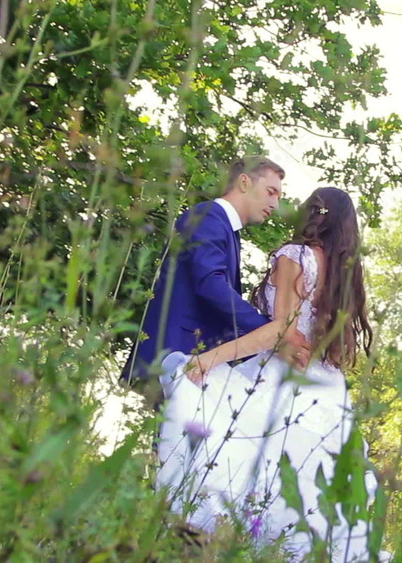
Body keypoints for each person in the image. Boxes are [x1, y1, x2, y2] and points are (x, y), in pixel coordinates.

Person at [156, 187, 384, 561]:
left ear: (311, 213)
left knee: (233, 465)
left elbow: (282, 330)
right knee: (305, 496)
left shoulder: (294, 255)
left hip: (280, 382)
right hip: (327, 393)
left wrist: (211, 358)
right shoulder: (345, 277)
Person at [120, 155, 311, 389]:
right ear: (244, 182)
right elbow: (210, 284)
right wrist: (271, 332)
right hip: (175, 354)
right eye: (271, 191)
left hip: (195, 359)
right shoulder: (208, 217)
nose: (275, 204)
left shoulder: (225, 228)